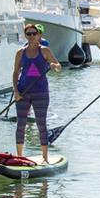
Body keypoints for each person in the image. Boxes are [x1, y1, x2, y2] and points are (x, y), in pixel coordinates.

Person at [12, 23, 62, 163]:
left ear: (38, 35)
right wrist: (16, 91)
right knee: (21, 124)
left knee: (41, 124)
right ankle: (20, 158)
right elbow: (15, 73)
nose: (32, 36)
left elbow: (59, 67)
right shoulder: (20, 53)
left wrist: (54, 66)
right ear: (26, 36)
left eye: (34, 33)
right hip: (23, 92)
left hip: (41, 93)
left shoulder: (45, 51)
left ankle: (45, 158)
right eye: (29, 34)